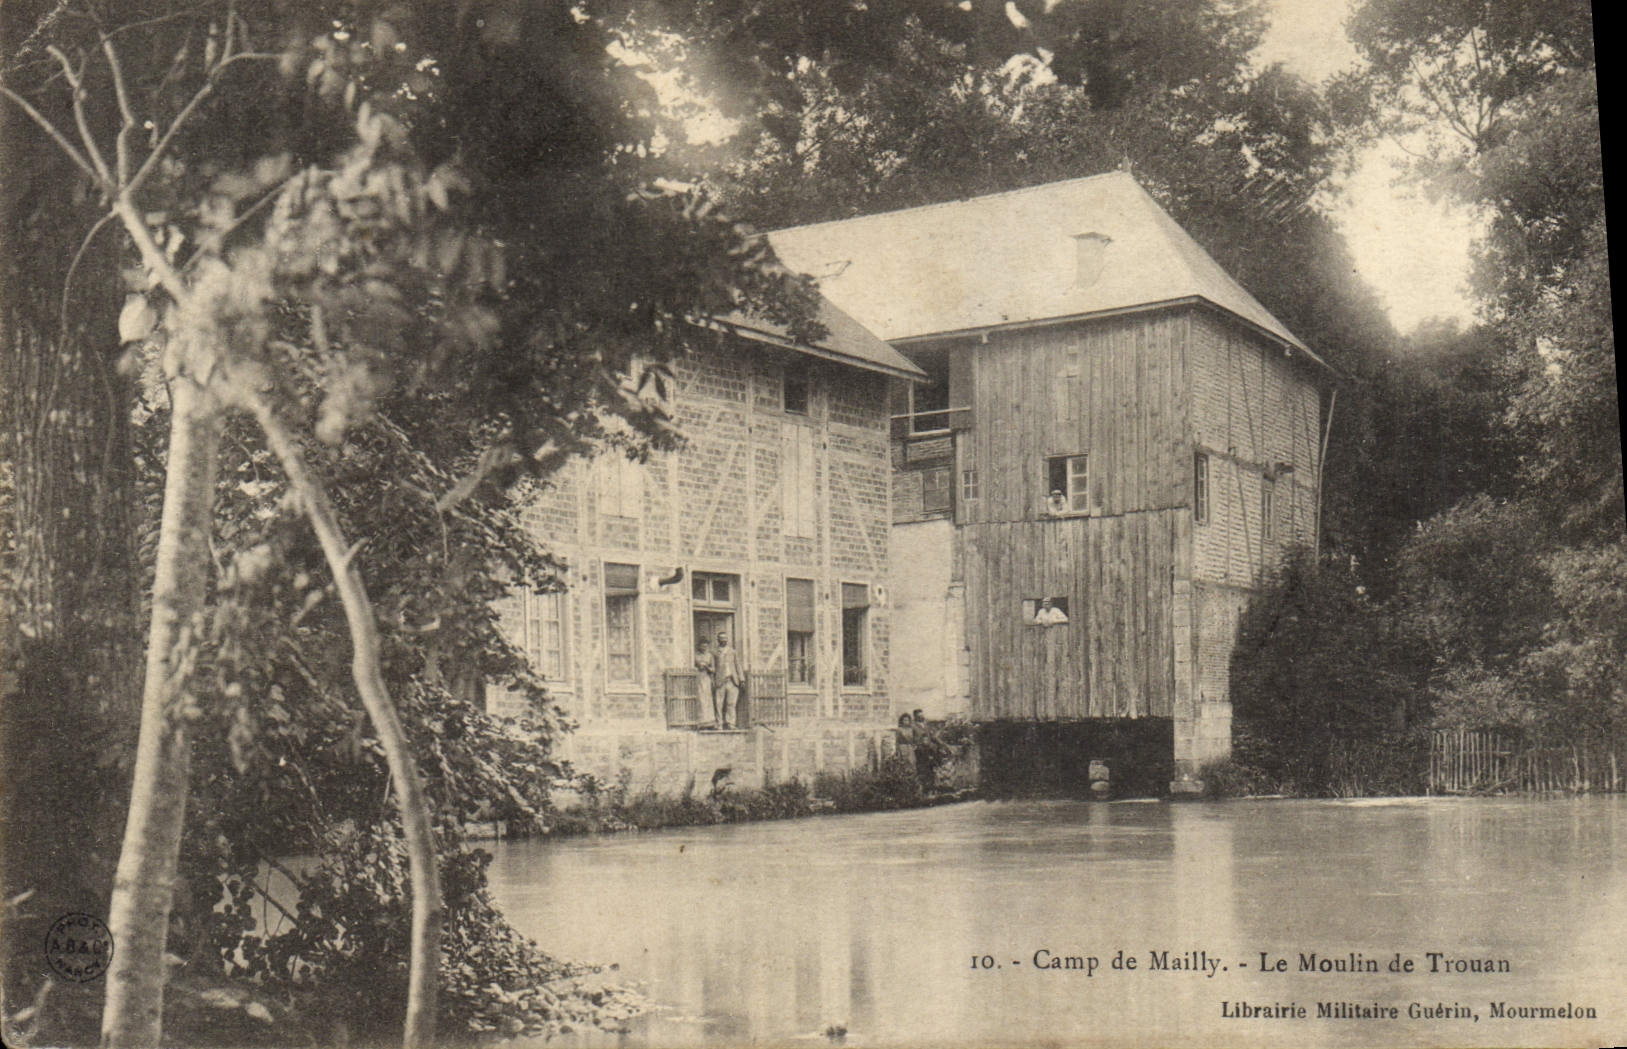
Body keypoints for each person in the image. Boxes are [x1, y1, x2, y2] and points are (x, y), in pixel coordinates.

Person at [714, 631, 742, 729]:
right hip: (720, 681)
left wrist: (741, 679)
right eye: (721, 638)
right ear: (718, 640)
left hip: (732, 681)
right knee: (719, 704)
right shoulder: (715, 652)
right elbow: (713, 668)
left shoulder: (732, 651)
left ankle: (731, 723)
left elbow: (738, 665)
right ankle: (719, 724)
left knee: (731, 703)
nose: (724, 640)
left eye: (725, 638)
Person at [694, 638, 716, 727]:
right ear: (699, 646)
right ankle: (700, 721)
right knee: (700, 698)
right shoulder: (695, 655)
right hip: (698, 678)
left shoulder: (710, 656)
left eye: (705, 646)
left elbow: (713, 669)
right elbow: (692, 666)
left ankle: (709, 722)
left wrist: (707, 667)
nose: (704, 648)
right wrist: (698, 667)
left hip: (706, 678)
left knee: (707, 699)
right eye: (702, 646)